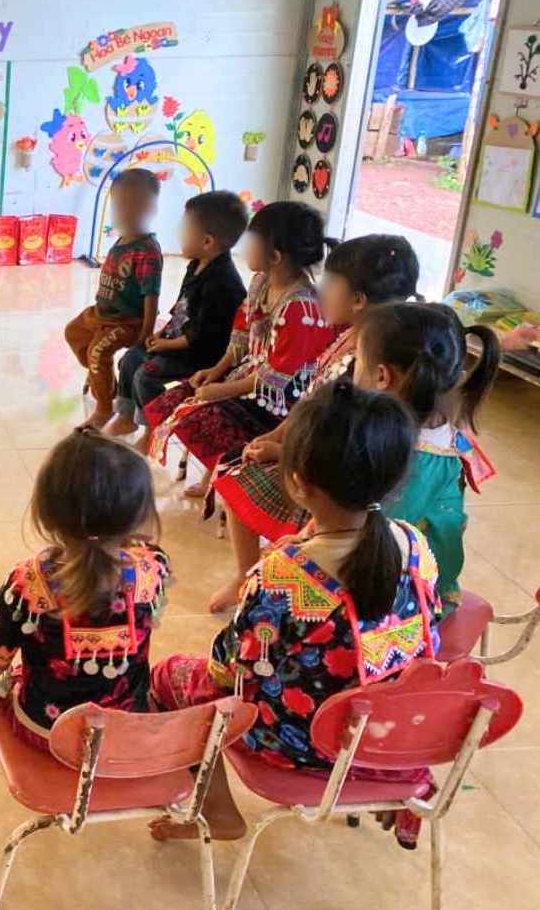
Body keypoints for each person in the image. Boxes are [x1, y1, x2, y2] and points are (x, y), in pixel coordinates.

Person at [151, 381, 440, 848]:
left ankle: (218, 810)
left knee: (170, 678)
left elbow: (230, 670)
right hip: (388, 735)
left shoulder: (286, 577)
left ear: (299, 482)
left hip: (306, 744)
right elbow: (431, 631)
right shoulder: (414, 546)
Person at [207, 234, 421, 612]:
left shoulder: (367, 360)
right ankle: (245, 575)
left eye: (329, 283)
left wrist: (282, 449)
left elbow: (339, 435)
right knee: (236, 467)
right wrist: (273, 436)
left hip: (330, 471)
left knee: (242, 477)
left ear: (357, 300)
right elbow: (311, 403)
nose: (320, 292)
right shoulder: (346, 337)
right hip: (308, 447)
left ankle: (279, 578)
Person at [0, 429, 169, 748]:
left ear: (46, 512)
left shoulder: (28, 581)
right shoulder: (152, 569)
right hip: (126, 733)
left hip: (44, 732)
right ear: (140, 514)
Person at [145, 201, 338, 497]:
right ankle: (218, 470)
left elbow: (277, 379)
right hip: (250, 377)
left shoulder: (300, 307)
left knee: (201, 415)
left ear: (274, 256)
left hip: (282, 399)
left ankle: (227, 476)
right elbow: (240, 339)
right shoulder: (261, 281)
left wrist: (221, 390)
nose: (243, 248)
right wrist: (216, 372)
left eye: (251, 243)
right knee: (176, 399)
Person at [352, 302, 500, 617]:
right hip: (417, 581)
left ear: (381, 376)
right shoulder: (441, 437)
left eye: (357, 360)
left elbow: (373, 537)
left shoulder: (403, 455)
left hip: (406, 603)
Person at [107, 190, 249, 437]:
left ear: (207, 241)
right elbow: (181, 309)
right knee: (130, 359)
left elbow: (201, 336)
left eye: (185, 230)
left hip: (200, 355)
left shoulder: (222, 283)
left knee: (145, 377)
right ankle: (126, 416)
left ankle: (153, 431)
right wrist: (162, 333)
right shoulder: (197, 264)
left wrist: (166, 344)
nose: (179, 235)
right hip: (177, 342)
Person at [63, 169, 163, 429]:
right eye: (121, 205)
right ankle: (104, 379)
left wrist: (145, 333)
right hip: (101, 313)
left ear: (151, 208)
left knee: (98, 352)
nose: (127, 212)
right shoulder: (122, 239)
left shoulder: (148, 250)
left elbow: (151, 295)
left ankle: (104, 408)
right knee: (73, 333)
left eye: (135, 205)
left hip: (127, 321)